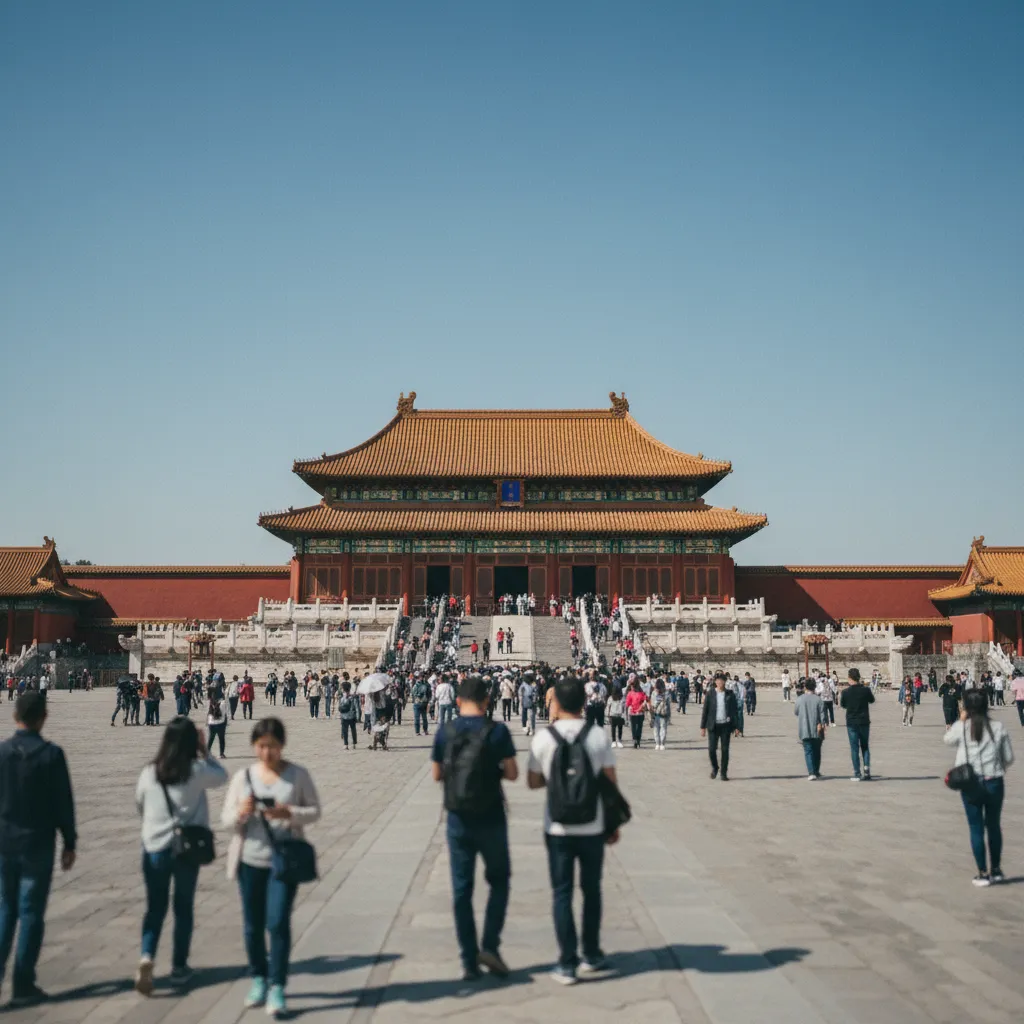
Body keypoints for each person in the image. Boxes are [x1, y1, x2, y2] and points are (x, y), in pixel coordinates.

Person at [221, 719, 321, 1019]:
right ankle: (258, 978)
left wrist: (288, 812)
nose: (267, 753)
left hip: (282, 861)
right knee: (252, 927)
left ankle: (277, 984)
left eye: (273, 746)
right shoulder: (243, 777)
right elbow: (225, 821)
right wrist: (242, 812)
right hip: (249, 861)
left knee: (277, 923)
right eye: (262, 746)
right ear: (254, 746)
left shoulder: (297, 776)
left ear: (282, 745)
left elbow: (314, 811)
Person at [527, 676, 618, 985]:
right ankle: (591, 954)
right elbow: (611, 784)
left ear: (555, 702)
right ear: (584, 702)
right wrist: (613, 824)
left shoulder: (543, 738)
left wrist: (556, 780)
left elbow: (532, 782)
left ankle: (567, 963)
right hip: (593, 824)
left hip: (558, 826)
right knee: (592, 891)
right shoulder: (598, 736)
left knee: (562, 893)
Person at [431, 675, 517, 981]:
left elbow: (436, 775)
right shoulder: (498, 731)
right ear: (487, 702)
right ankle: (490, 945)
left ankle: (468, 959)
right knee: (500, 881)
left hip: (457, 819)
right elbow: (512, 773)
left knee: (461, 889)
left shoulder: (446, 730)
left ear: (457, 701)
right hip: (492, 815)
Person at [134, 717, 227, 995]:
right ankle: (179, 967)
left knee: (155, 907)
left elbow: (140, 805)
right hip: (186, 849)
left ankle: (147, 956)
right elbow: (222, 776)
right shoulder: (196, 769)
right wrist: (204, 749)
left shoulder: (149, 772)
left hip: (155, 848)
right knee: (183, 908)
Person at [0, 692, 77, 1007]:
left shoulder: (2, 753)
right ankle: (23, 983)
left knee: (6, 909)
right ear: (43, 717)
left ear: (15, 715)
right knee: (31, 912)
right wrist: (70, 841)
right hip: (39, 844)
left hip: (5, 843)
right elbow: (64, 802)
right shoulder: (51, 754)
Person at [943, 690, 1015, 886]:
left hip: (971, 783)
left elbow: (947, 739)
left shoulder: (962, 727)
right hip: (994, 782)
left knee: (976, 828)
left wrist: (961, 718)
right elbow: (1008, 758)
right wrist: (996, 768)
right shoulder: (998, 727)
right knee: (993, 826)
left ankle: (982, 873)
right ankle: (997, 870)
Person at [700, 673, 740, 781]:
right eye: (718, 680)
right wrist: (702, 727)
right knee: (712, 750)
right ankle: (715, 767)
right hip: (713, 725)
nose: (720, 682)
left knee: (725, 750)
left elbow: (734, 711)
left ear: (725, 682)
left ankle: (723, 772)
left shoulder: (730, 694)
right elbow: (705, 710)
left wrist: (737, 726)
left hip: (726, 726)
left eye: (722, 681)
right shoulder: (710, 693)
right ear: (715, 682)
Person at [839, 667, 874, 781]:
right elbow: (872, 700)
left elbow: (843, 705)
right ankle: (867, 770)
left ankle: (857, 773)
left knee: (854, 748)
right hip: (864, 721)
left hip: (852, 722)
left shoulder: (845, 692)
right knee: (865, 746)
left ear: (849, 678)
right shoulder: (866, 690)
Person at [795, 675, 827, 779]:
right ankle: (816, 771)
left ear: (805, 687)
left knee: (808, 750)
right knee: (817, 751)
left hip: (804, 729)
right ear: (814, 687)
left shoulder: (799, 699)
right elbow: (823, 716)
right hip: (817, 729)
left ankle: (811, 772)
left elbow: (796, 712)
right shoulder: (819, 700)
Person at [624, 680, 648, 749]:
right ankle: (638, 740)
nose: (631, 687)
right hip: (639, 712)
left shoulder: (630, 694)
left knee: (634, 727)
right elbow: (646, 700)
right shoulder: (642, 693)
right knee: (639, 727)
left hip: (633, 713)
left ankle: (635, 739)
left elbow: (627, 704)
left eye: (631, 686)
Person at [650, 679, 671, 751]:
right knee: (663, 729)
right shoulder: (667, 693)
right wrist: (669, 717)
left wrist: (651, 714)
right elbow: (668, 705)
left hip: (656, 713)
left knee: (656, 729)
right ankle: (662, 744)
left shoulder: (653, 693)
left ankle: (657, 744)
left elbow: (652, 704)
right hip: (664, 713)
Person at [338, 682, 359, 749]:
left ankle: (346, 744)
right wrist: (357, 716)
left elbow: (340, 706)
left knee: (345, 730)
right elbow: (356, 707)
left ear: (343, 688)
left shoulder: (342, 697)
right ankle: (354, 744)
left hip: (344, 716)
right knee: (353, 730)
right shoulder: (352, 696)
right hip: (352, 715)